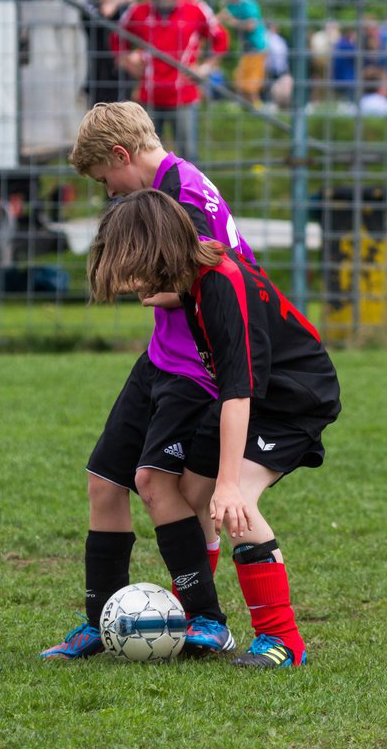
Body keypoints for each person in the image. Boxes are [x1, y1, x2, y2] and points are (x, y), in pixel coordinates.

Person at [86, 188, 341, 668]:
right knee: (187, 492)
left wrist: (228, 484)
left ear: (156, 250)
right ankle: (202, 618)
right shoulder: (194, 269)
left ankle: (282, 640)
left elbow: (238, 394)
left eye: (133, 265)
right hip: (251, 394)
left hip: (291, 399)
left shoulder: (221, 285)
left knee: (236, 499)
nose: (132, 280)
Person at [41, 101, 257, 659]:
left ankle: (208, 619)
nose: (111, 194)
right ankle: (100, 621)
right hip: (161, 357)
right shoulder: (172, 182)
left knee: (154, 482)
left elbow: (213, 281)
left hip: (196, 370)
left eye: (107, 182)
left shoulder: (184, 198)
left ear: (121, 155)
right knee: (103, 482)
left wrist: (144, 284)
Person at [112, 0, 228, 161]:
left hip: (183, 95)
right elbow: (116, 36)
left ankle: (185, 190)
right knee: (145, 156)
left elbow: (220, 39)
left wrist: (205, 68)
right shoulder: (139, 11)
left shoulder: (195, 8)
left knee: (188, 155)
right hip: (149, 95)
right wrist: (127, 62)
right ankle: (151, 190)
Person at [81, 0, 136, 108]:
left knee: (122, 115)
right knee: (99, 115)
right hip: (99, 74)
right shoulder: (89, 6)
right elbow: (106, 12)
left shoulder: (123, 7)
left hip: (121, 72)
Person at [217, 0, 268, 106]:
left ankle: (257, 109)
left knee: (250, 84)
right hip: (247, 47)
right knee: (240, 80)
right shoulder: (232, 3)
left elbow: (251, 25)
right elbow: (220, 17)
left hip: (256, 47)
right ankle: (249, 110)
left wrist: (233, 22)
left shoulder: (246, 2)